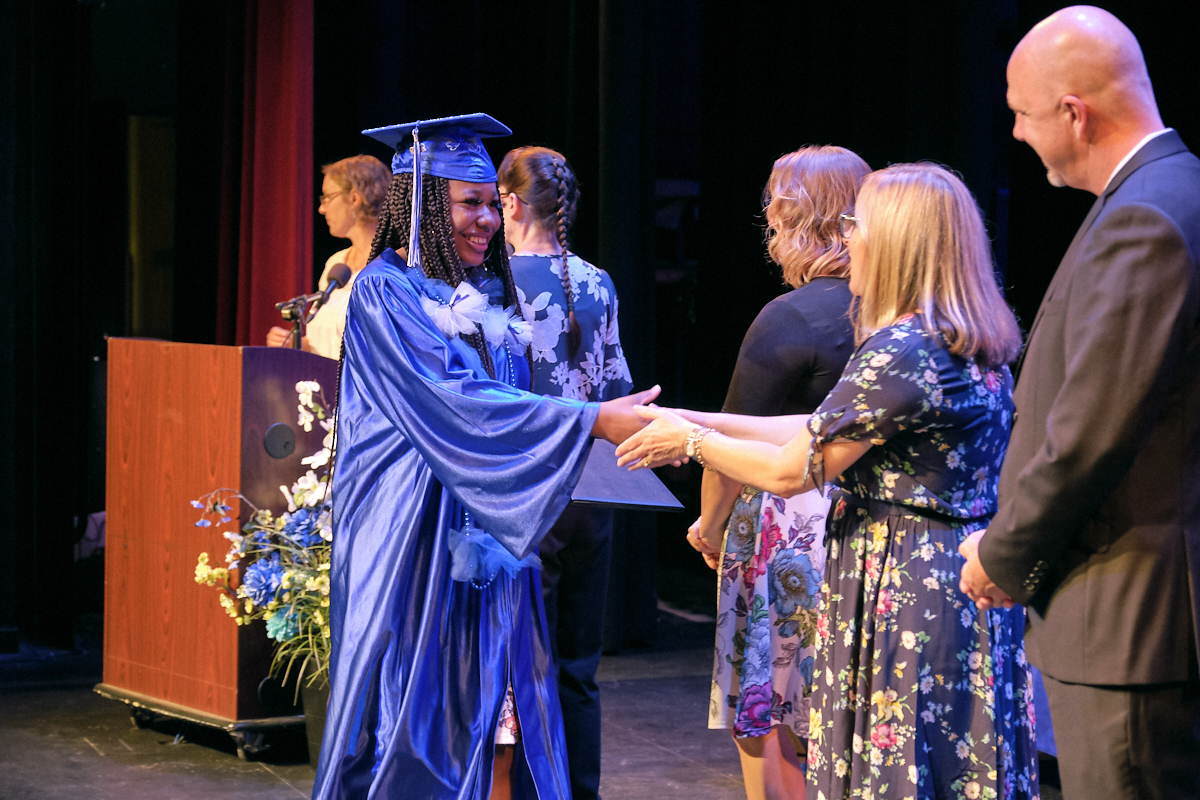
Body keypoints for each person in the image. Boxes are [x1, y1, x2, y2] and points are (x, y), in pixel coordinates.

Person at [617, 163, 1040, 800]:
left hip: (902, 587)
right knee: (955, 763)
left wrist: (691, 442)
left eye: (857, 225)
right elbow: (818, 425)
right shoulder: (963, 340)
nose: (849, 239)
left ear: (897, 242)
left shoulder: (900, 350)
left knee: (896, 772)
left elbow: (794, 469)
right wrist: (691, 415)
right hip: (957, 585)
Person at [311, 114, 658, 800]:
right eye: (469, 203)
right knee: (413, 726)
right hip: (411, 543)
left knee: (497, 724)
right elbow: (458, 402)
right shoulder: (386, 291)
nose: (488, 220)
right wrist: (594, 419)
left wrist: (610, 424)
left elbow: (504, 402)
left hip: (481, 534)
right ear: (423, 207)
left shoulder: (478, 297)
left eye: (489, 203)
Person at [959, 6, 1200, 798]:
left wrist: (1003, 554)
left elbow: (1093, 430)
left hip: (1130, 619)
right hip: (1128, 612)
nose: (1019, 136)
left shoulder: (1148, 216)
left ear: (1075, 112)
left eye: (1023, 115)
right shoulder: (1164, 192)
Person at [688, 145, 867, 800]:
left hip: (787, 532)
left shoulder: (791, 318)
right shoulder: (899, 313)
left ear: (791, 219)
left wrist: (709, 525)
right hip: (868, 530)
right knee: (841, 717)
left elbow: (726, 439)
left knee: (769, 722)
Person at [497, 145, 632, 800]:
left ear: (511, 204)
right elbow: (617, 389)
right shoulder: (597, 281)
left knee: (529, 669)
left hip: (529, 491)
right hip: (591, 491)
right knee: (579, 669)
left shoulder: (496, 284)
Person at [266, 154, 391, 357]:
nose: (322, 209)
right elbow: (325, 341)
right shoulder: (336, 264)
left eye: (328, 197)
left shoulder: (391, 267)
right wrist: (295, 343)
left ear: (354, 198)